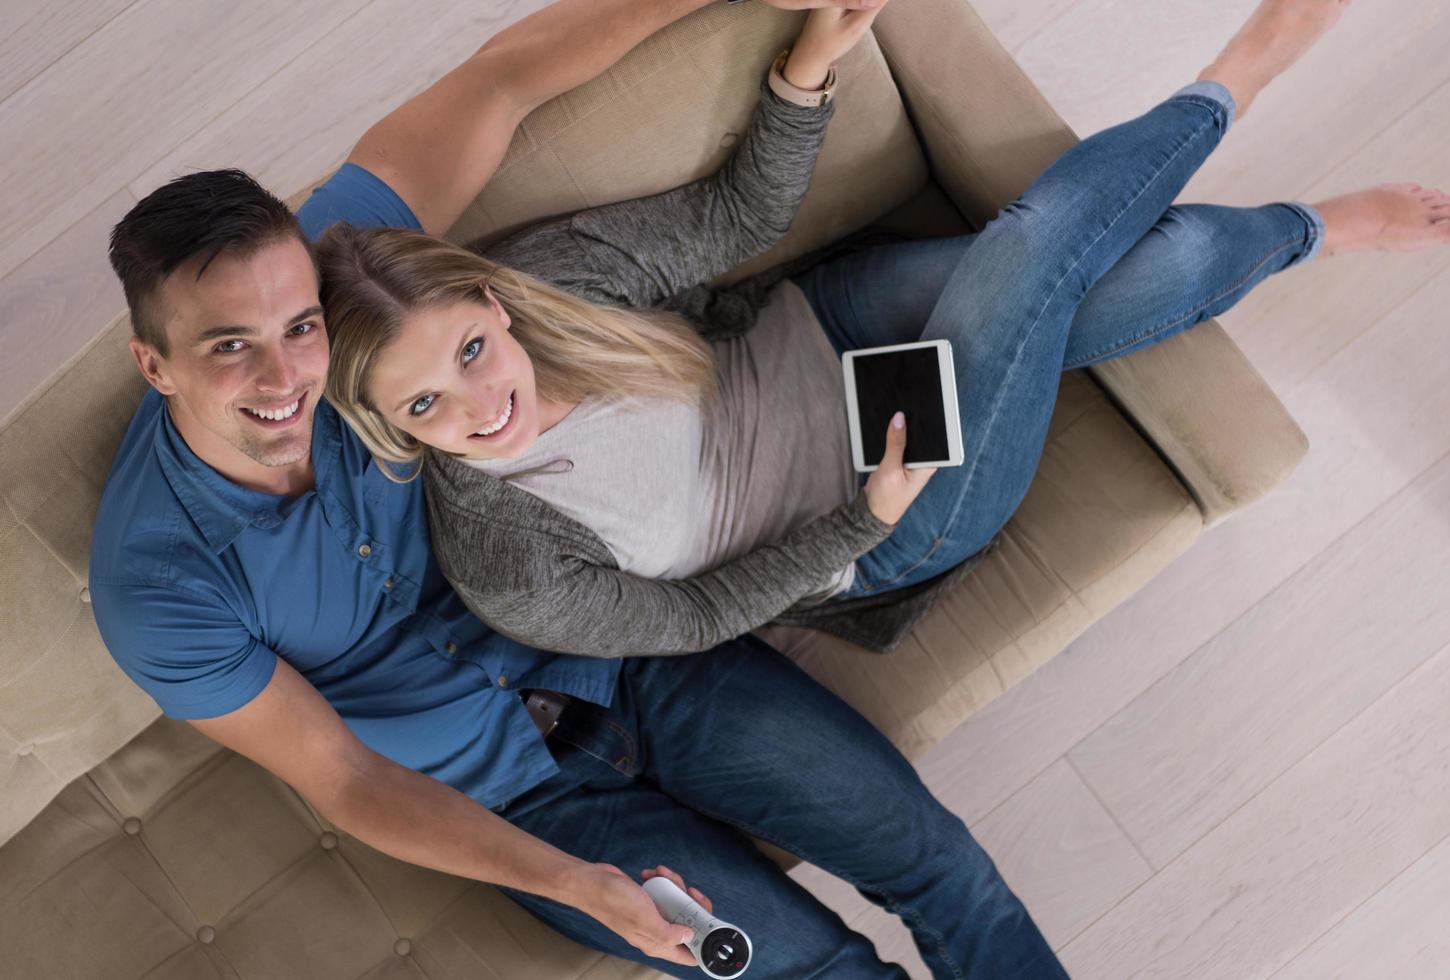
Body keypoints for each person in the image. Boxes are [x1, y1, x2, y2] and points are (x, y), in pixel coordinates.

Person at [88, 0, 1072, 977]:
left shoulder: (333, 286)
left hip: (628, 651)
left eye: (299, 327)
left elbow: (502, 78)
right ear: (154, 362)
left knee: (942, 866)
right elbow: (344, 779)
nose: (286, 375)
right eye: (228, 347)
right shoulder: (159, 587)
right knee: (820, 969)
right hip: (519, 801)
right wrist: (566, 877)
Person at [316, 0, 1450, 664]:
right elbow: (695, 615)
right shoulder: (505, 564)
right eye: (427, 406)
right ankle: (1240, 74)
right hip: (881, 506)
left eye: (471, 352)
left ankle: (1312, 228)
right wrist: (857, 521)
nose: (481, 407)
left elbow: (732, 217)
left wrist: (808, 64)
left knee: (1118, 265)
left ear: (491, 306)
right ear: (391, 428)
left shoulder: (547, 281)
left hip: (820, 332)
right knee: (1027, 257)